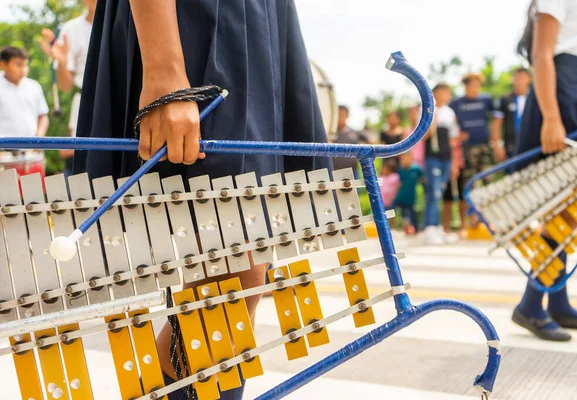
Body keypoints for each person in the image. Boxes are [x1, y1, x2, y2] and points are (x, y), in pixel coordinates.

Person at [74, 1, 331, 399]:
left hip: (259, 23)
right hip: (195, 24)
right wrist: (164, 71)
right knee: (233, 281)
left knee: (236, 284)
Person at [511, 0, 577, 341]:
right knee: (563, 205)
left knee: (573, 205)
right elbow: (542, 54)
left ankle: (557, 302)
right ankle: (532, 304)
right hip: (560, 94)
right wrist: (550, 116)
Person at [39, 0, 97, 176]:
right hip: (86, 103)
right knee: (82, 168)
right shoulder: (71, 29)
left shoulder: (132, 20)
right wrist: (62, 64)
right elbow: (65, 86)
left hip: (126, 100)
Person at [450, 73, 499, 227]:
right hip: (467, 149)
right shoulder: (457, 103)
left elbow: (497, 118)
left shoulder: (486, 100)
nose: (475, 88)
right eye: (472, 85)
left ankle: (490, 219)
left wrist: (494, 138)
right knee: (469, 184)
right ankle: (469, 220)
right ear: (465, 86)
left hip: (485, 146)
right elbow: (450, 122)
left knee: (488, 182)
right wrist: (459, 135)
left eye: (477, 85)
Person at [0, 46, 49, 178]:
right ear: (3, 64)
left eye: (25, 65)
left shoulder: (34, 86)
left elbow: (43, 116)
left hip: (31, 154)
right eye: (18, 65)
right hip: (3, 156)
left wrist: (39, 137)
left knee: (35, 197)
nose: (23, 69)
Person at [423, 83, 460, 244]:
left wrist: (454, 162)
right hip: (433, 156)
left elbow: (453, 139)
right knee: (434, 192)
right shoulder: (427, 109)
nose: (447, 95)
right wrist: (432, 121)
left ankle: (438, 227)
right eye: (443, 92)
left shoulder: (450, 112)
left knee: (442, 191)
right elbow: (423, 136)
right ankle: (430, 227)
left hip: (446, 157)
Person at [492, 67, 532, 159]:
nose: (519, 81)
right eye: (516, 78)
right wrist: (497, 146)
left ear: (529, 79)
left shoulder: (535, 98)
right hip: (511, 147)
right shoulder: (505, 99)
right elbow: (496, 124)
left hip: (532, 145)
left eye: (522, 78)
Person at [332, 105, 370, 177]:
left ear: (347, 116)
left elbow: (371, 142)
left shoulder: (355, 133)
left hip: (352, 172)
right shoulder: (330, 134)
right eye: (338, 115)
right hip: (334, 172)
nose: (339, 117)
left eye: (342, 115)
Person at [395, 151, 423, 235]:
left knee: (413, 214)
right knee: (405, 215)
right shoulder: (401, 170)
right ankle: (406, 230)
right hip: (402, 196)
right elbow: (398, 183)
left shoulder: (416, 169)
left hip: (411, 197)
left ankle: (416, 229)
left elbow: (422, 179)